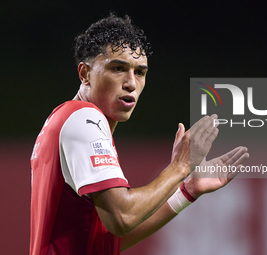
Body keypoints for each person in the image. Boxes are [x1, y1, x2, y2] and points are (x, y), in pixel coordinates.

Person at [30, 13, 249, 255]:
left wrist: (187, 190)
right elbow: (122, 217)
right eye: (118, 68)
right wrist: (179, 166)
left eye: (140, 72)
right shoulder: (84, 119)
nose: (131, 83)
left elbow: (107, 239)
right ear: (85, 73)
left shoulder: (64, 120)